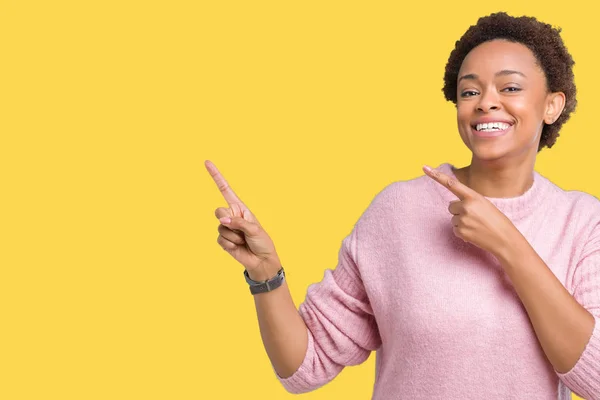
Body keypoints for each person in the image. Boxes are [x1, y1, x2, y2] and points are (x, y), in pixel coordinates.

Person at [205, 12, 600, 399]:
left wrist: (509, 245)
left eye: (510, 88)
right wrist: (265, 273)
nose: (486, 103)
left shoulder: (581, 223)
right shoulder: (398, 210)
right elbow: (304, 366)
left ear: (552, 105)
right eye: (469, 91)